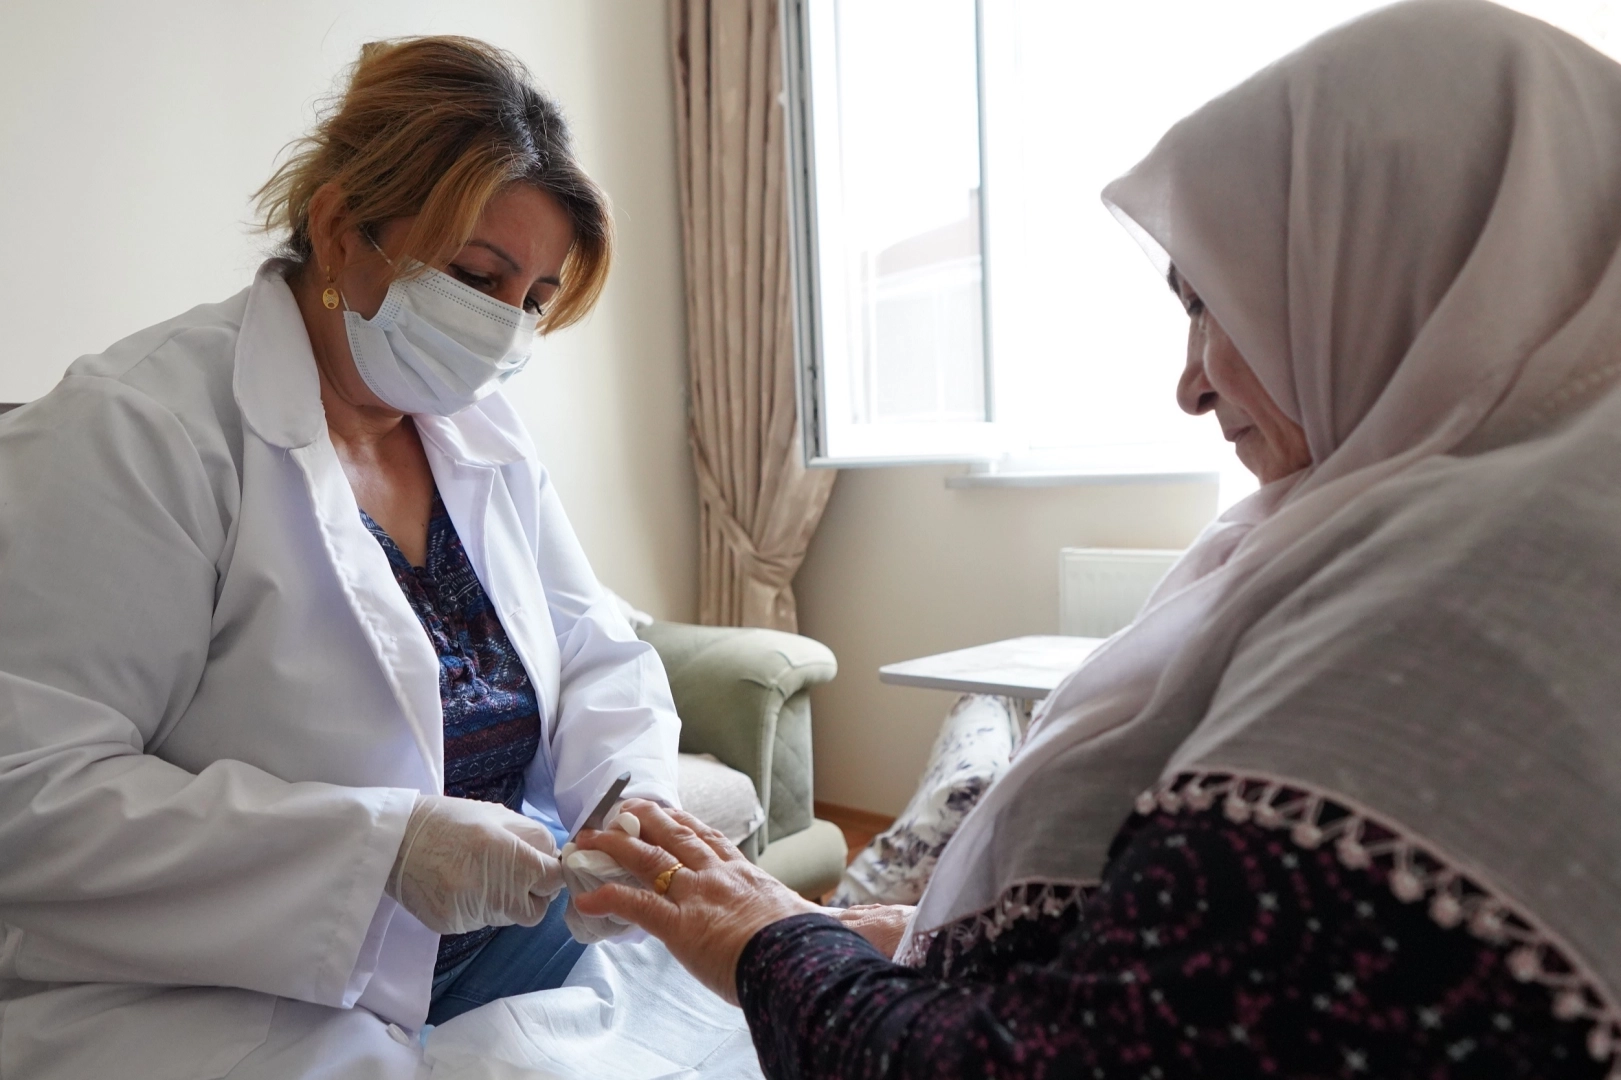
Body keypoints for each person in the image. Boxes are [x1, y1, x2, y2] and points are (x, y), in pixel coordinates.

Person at [573, 2, 1621, 1077]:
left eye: (1216, 305)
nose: (1189, 384)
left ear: (1394, 269)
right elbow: (1180, 976)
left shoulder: (1453, 622)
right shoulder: (1451, 533)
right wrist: (911, 940)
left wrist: (764, 942)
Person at [0, 36, 680, 1080]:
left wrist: (631, 804)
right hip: (232, 986)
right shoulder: (138, 429)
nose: (502, 333)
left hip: (500, 941)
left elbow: (594, 647)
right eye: (476, 277)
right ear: (336, 227)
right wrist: (383, 851)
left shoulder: (479, 433)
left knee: (759, 996)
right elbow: (31, 791)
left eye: (533, 300)